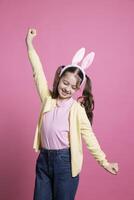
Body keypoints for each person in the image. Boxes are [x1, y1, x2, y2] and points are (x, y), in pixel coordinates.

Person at [25, 28, 119, 200]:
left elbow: (90, 138)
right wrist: (29, 44)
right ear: (59, 78)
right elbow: (37, 73)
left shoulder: (77, 110)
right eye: (65, 83)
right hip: (44, 159)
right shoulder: (48, 100)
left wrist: (104, 162)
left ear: (77, 89)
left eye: (73, 87)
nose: (67, 88)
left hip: (65, 163)